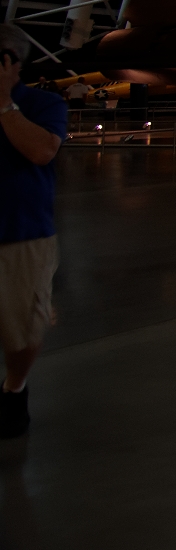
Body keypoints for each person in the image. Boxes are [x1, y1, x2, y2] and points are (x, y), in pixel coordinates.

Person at [0, 26, 66, 438]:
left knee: (23, 328)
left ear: (12, 63)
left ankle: (14, 389)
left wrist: (4, 104)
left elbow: (42, 151)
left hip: (21, 236)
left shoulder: (43, 103)